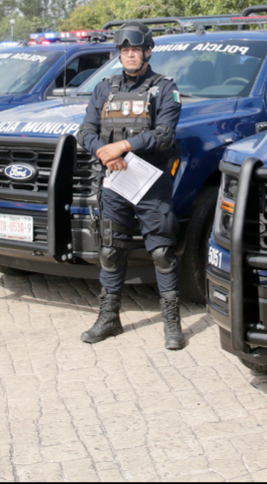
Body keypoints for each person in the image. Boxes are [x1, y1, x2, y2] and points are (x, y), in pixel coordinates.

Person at [76, 22, 185, 350]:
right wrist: (104, 152)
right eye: (125, 51)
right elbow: (85, 131)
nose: (131, 56)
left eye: (136, 50)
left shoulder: (164, 87)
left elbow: (165, 134)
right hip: (115, 181)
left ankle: (171, 323)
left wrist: (124, 147)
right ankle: (109, 318)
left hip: (150, 182)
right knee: (110, 251)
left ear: (148, 52)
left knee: (163, 252)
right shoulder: (104, 87)